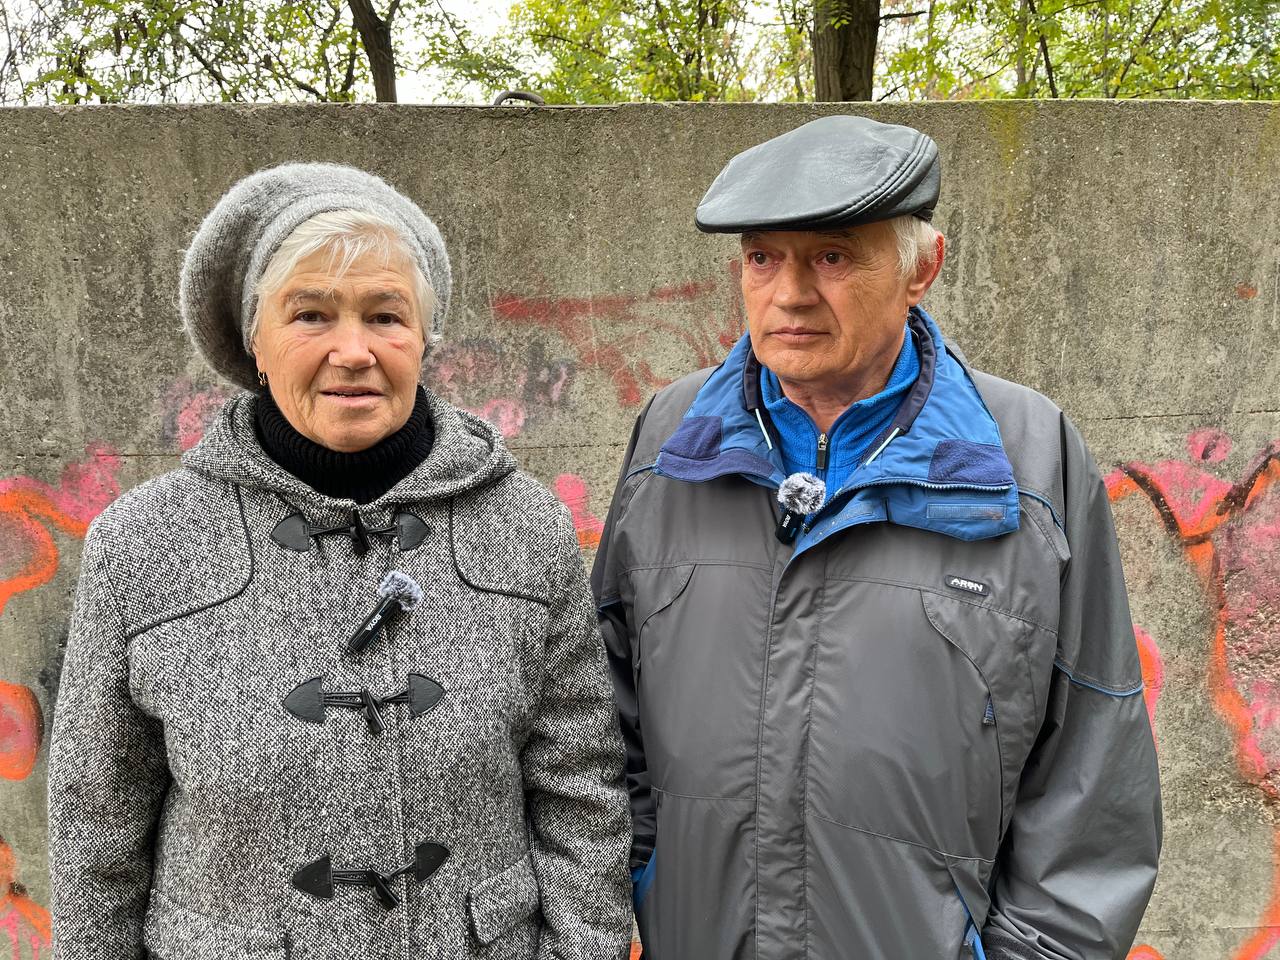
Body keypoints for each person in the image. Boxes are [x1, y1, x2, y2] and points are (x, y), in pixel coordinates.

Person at [592, 115, 1161, 960]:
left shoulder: (1029, 455)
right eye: (762, 258)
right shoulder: (675, 441)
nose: (788, 294)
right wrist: (642, 885)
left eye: (831, 256)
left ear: (920, 268)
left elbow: (1092, 771)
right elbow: (603, 716)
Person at [47, 163, 632, 960]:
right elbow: (95, 837)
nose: (352, 351)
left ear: (425, 336)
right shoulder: (143, 546)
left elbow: (581, 792)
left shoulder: (526, 527)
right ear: (254, 341)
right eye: (311, 314)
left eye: (385, 316)